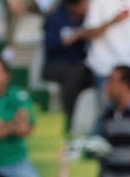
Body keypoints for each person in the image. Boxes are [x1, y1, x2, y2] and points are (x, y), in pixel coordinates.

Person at [41, 0, 96, 129]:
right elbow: (50, 45)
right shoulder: (55, 19)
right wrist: (71, 38)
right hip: (56, 64)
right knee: (72, 73)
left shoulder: (89, 19)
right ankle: (70, 117)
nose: (86, 7)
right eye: (83, 4)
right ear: (72, 5)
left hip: (81, 65)